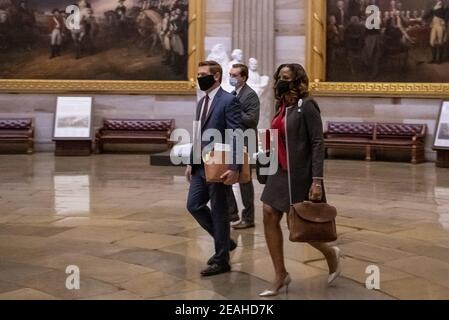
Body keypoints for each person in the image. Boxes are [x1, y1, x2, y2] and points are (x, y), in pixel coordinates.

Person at [259, 64, 342, 297]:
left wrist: (317, 180)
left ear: (297, 80)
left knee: (299, 226)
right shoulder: (281, 105)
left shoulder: (307, 106)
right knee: (268, 213)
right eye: (279, 77)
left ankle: (330, 252)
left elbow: (317, 142)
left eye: (286, 77)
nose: (281, 81)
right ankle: (280, 275)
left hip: (300, 174)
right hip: (279, 170)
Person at [186, 61, 243, 277]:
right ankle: (225, 242)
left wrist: (235, 167)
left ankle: (222, 260)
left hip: (219, 164)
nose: (199, 78)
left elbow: (237, 134)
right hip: (200, 166)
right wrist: (191, 162)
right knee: (194, 205)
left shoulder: (229, 101)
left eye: (203, 74)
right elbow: (198, 134)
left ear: (216, 76)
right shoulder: (202, 103)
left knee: (219, 212)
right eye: (198, 74)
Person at [226, 63, 260, 230]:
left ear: (244, 77)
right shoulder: (233, 94)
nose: (231, 78)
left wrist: (235, 109)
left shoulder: (251, 95)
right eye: (230, 74)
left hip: (246, 142)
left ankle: (248, 218)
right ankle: (232, 214)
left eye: (234, 75)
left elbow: (252, 120)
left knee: (244, 180)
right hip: (232, 141)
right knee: (225, 178)